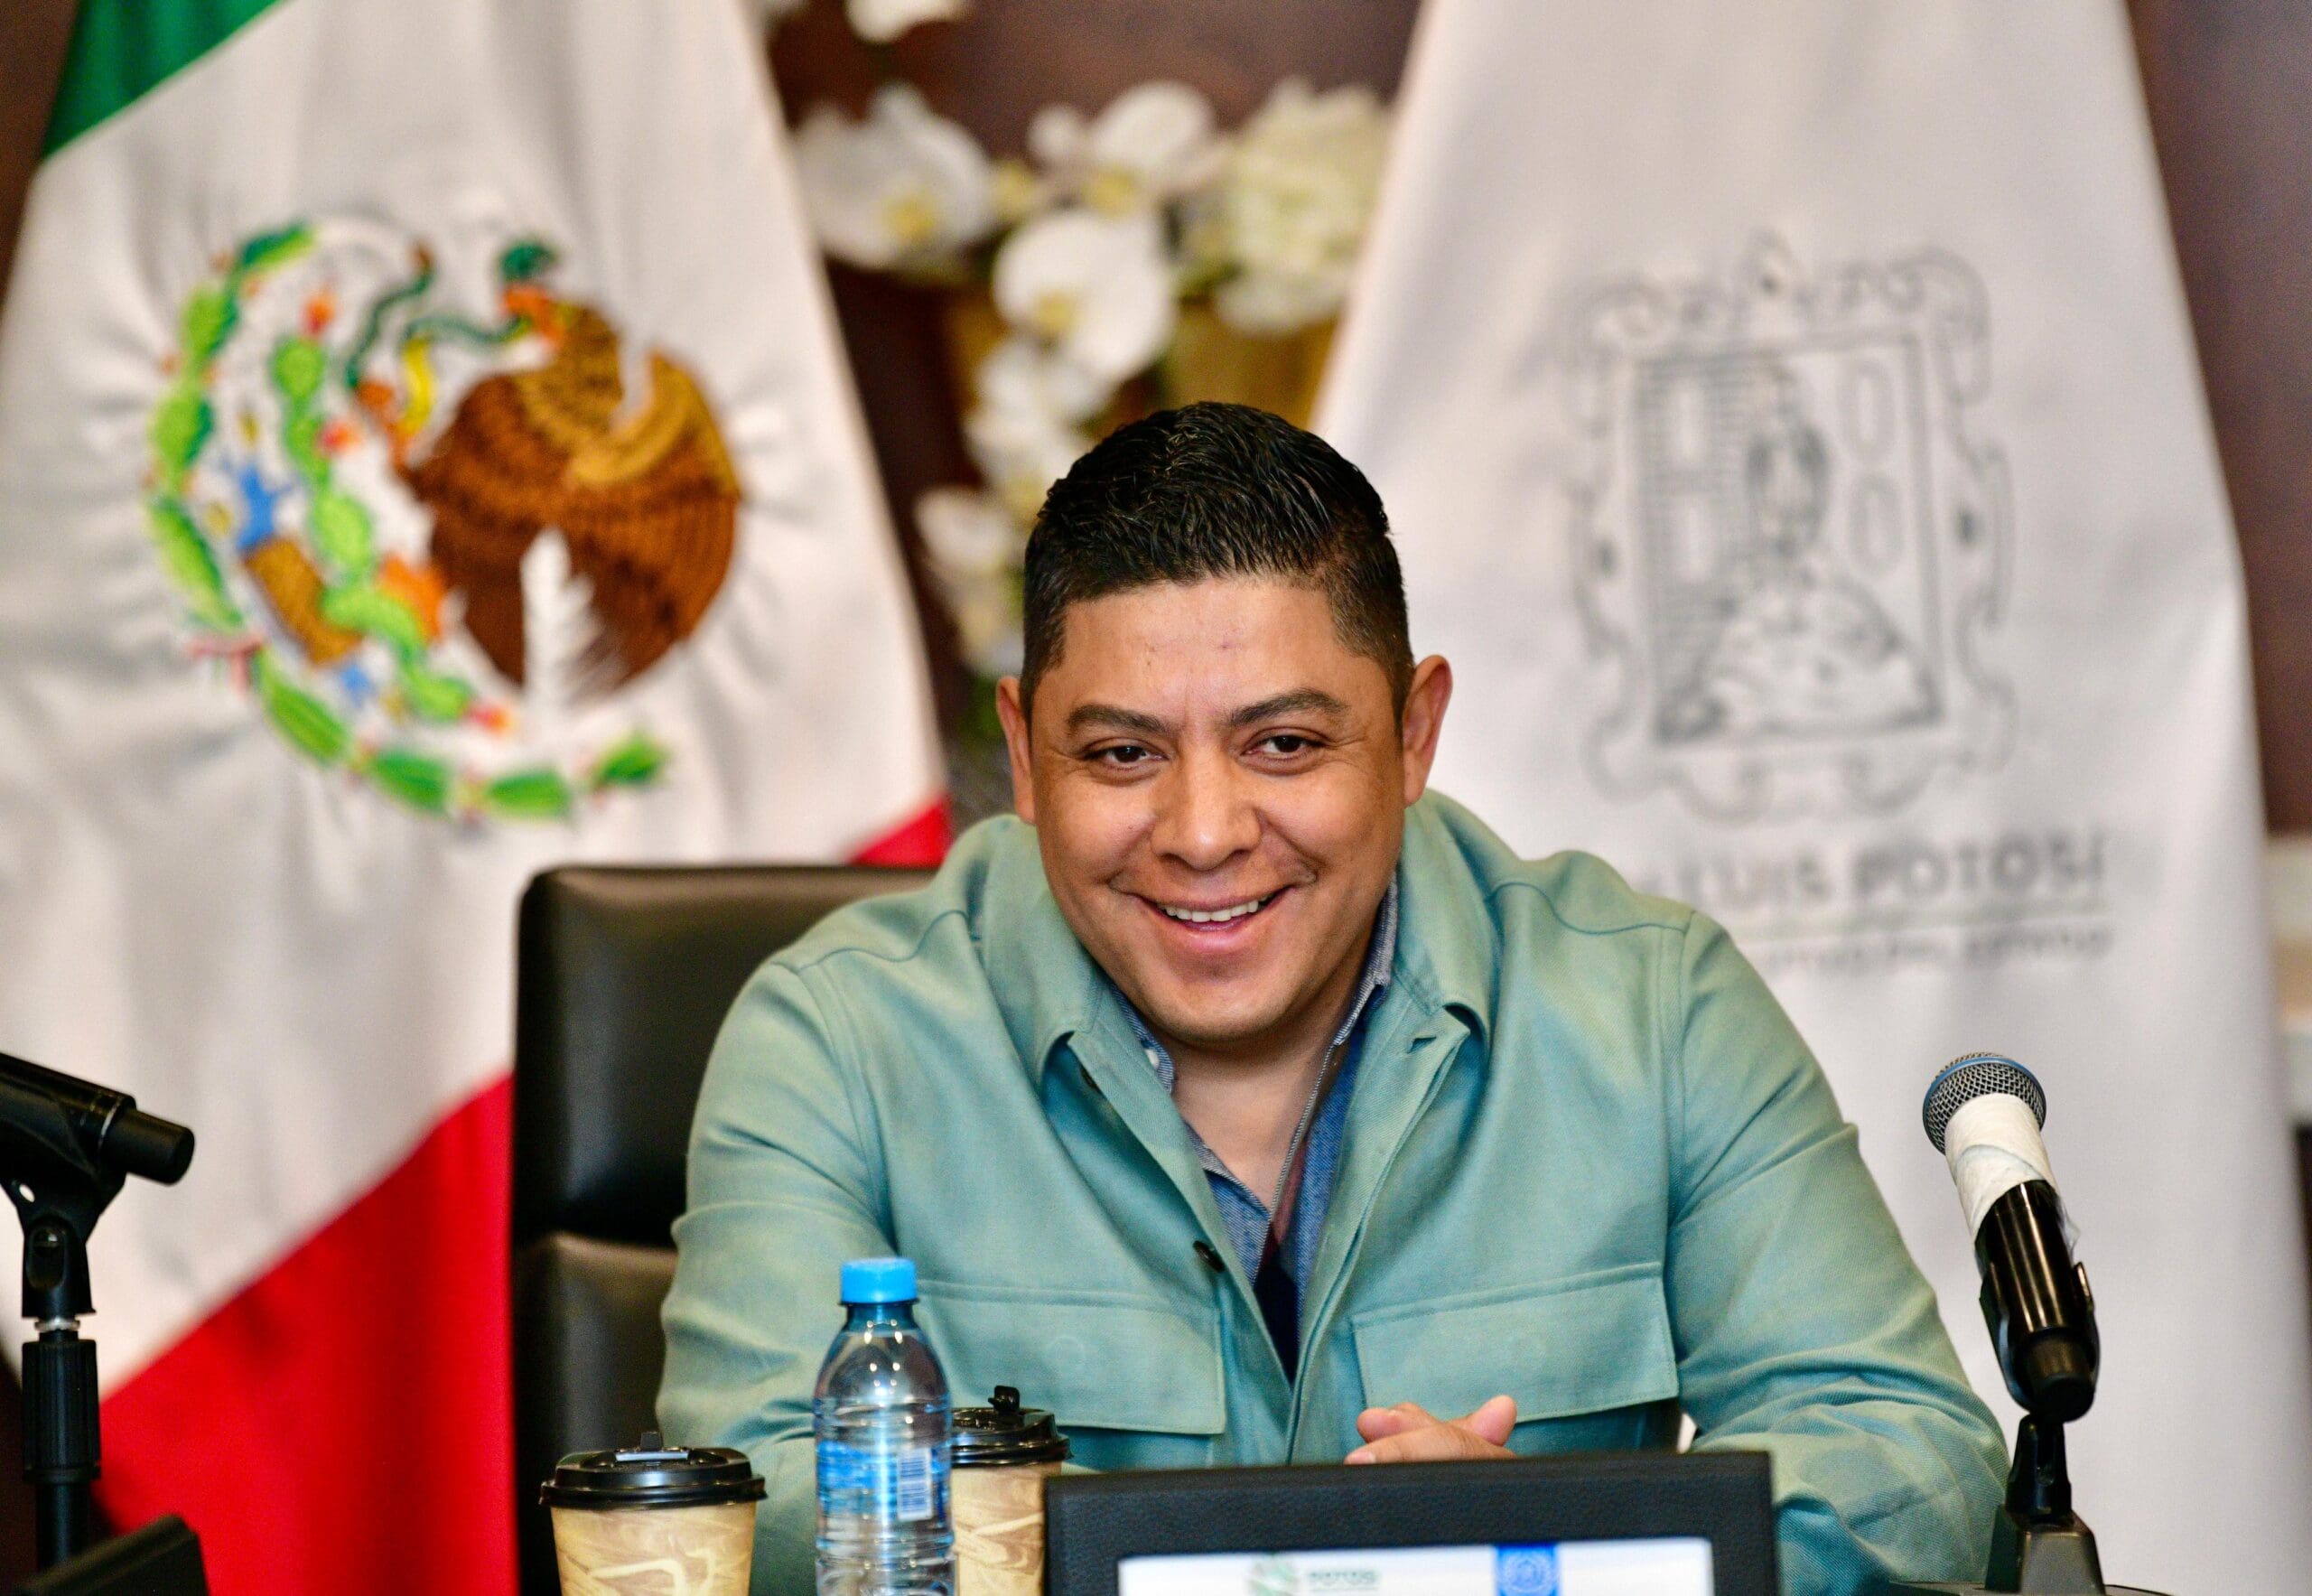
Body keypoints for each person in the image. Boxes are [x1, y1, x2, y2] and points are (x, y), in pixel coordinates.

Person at [658, 402, 2005, 1594]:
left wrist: (1554, 1551)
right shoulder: (837, 1038)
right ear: (1022, 754)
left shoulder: (1654, 1006)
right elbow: (749, 1502)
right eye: (1121, 754)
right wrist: (1202, 1567)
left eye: (1286, 744)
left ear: (1413, 734)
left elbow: (1913, 1456)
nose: (1203, 832)